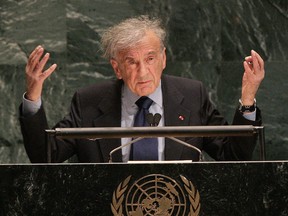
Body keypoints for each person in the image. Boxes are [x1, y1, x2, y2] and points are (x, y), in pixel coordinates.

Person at [19, 15, 265, 163]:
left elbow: (234, 156)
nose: (143, 72)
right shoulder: (89, 102)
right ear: (117, 68)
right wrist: (33, 96)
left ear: (163, 59)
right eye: (131, 62)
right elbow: (45, 157)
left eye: (149, 59)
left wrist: (248, 99)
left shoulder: (191, 95)